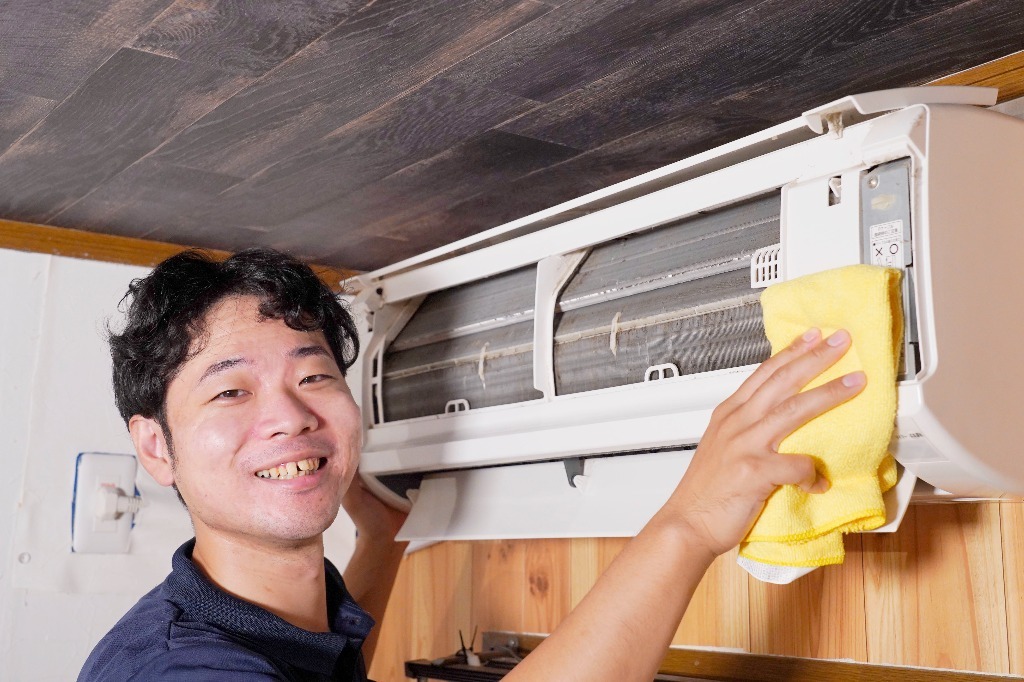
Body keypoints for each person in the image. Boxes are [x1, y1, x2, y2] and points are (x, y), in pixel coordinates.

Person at [79, 248, 863, 681]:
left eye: (312, 376)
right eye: (231, 392)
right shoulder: (183, 673)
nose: (289, 415)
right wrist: (689, 523)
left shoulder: (266, 621)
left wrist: (381, 542)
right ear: (156, 447)